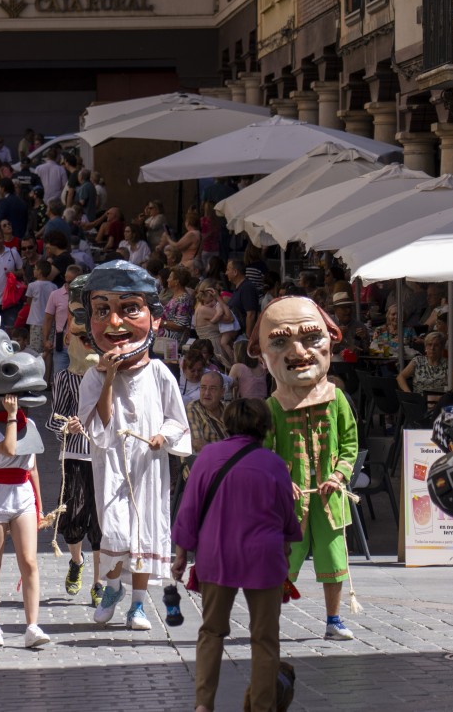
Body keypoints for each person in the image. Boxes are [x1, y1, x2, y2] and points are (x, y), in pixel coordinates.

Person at [78, 260, 191, 630]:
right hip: (110, 466)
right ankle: (112, 588)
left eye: (129, 309)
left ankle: (138, 605)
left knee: (144, 531)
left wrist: (165, 436)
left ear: (154, 319)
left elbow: (177, 420)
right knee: (115, 530)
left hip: (148, 467)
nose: (115, 323)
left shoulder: (160, 373)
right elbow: (102, 429)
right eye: (101, 310)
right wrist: (108, 378)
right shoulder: (92, 379)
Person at [171, 399, 302, 712]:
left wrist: (180, 555)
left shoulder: (206, 458)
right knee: (265, 640)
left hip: (217, 555)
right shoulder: (274, 464)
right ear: (264, 427)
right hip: (264, 559)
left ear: (227, 423)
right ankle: (262, 707)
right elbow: (288, 519)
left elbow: (188, 510)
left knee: (211, 632)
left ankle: (203, 705)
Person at [252, 296, 359, 641]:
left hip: (329, 502)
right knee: (284, 563)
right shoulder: (271, 407)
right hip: (289, 505)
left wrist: (338, 475)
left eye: (311, 338)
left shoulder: (337, 399)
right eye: (280, 342)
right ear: (263, 353)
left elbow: (349, 443)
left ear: (331, 338)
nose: (298, 352)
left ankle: (334, 620)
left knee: (333, 559)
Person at [45, 288, 104, 606]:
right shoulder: (66, 377)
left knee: (100, 520)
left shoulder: (111, 376)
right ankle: (76, 562)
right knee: (72, 516)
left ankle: (97, 582)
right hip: (75, 454)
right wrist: (66, 425)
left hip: (103, 453)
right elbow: (53, 418)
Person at [0, 393, 51, 649]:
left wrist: (40, 507)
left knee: (29, 561)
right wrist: (10, 417)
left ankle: (32, 626)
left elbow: (32, 468)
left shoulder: (29, 425)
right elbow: (9, 449)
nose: (15, 402)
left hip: (22, 495)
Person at [186, 370, 227, 453]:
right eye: (203, 388)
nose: (207, 393)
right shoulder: (193, 408)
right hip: (213, 460)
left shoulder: (227, 408)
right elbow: (198, 445)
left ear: (222, 392)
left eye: (212, 389)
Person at [225, 258, 259, 340]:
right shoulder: (239, 288)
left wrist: (247, 336)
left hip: (243, 336)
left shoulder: (247, 287)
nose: (226, 273)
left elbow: (251, 314)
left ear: (235, 272)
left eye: (228, 269)